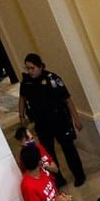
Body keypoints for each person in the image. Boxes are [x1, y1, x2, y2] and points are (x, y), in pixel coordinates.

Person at [17, 53, 85, 186]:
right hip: (42, 123)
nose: (30, 71)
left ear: (40, 66)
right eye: (27, 68)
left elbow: (67, 99)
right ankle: (58, 179)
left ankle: (79, 175)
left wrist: (76, 119)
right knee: (49, 153)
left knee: (68, 149)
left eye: (32, 68)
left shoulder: (52, 79)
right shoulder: (26, 82)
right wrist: (21, 116)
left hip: (60, 120)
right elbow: (22, 98)